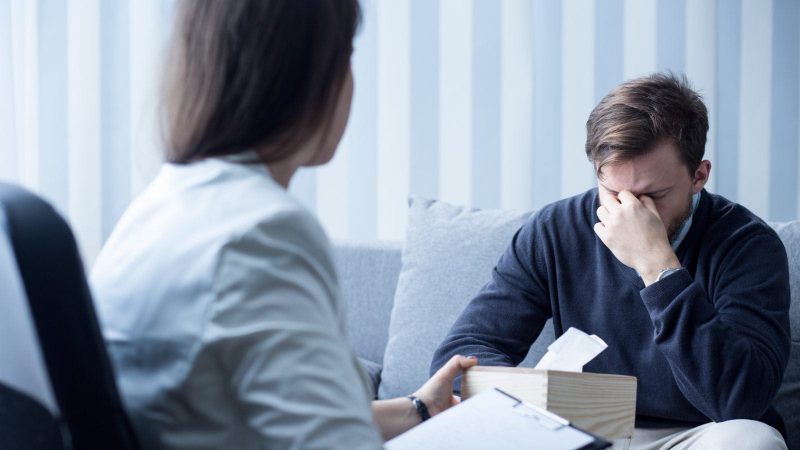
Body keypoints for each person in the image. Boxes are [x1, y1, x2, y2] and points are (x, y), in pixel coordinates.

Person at [90, 1, 476, 449]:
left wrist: (418, 408)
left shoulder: (161, 206)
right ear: (306, 74)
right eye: (345, 57)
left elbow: (250, 415)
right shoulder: (263, 232)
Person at [430, 73, 791, 450]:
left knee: (754, 441)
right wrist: (535, 404)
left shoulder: (748, 244)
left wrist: (658, 267)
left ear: (698, 176)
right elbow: (460, 357)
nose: (630, 211)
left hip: (699, 434)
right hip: (583, 430)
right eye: (613, 192)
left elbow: (740, 400)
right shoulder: (555, 230)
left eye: (654, 195)